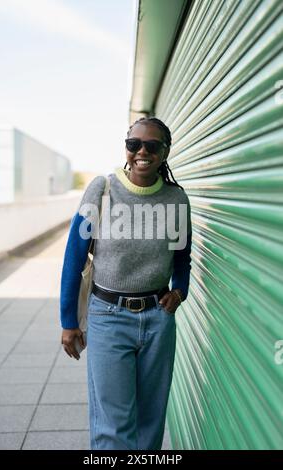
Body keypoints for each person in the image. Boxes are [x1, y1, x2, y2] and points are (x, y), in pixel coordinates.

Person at [60, 116, 192, 450]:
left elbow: (182, 257)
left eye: (152, 145)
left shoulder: (176, 199)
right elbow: (74, 257)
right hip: (108, 317)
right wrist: (68, 321)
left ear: (165, 152)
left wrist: (180, 291)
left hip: (157, 321)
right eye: (134, 144)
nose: (141, 152)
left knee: (150, 423)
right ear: (126, 147)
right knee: (113, 427)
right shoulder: (102, 190)